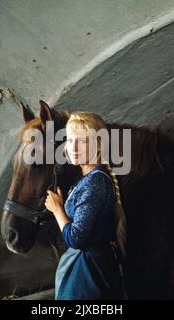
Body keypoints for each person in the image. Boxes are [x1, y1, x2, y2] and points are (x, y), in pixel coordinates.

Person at [44, 111, 127, 300]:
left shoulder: (95, 182)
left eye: (82, 141)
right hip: (86, 268)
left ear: (98, 145)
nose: (73, 147)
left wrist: (57, 210)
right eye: (70, 140)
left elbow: (76, 238)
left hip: (88, 274)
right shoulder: (89, 178)